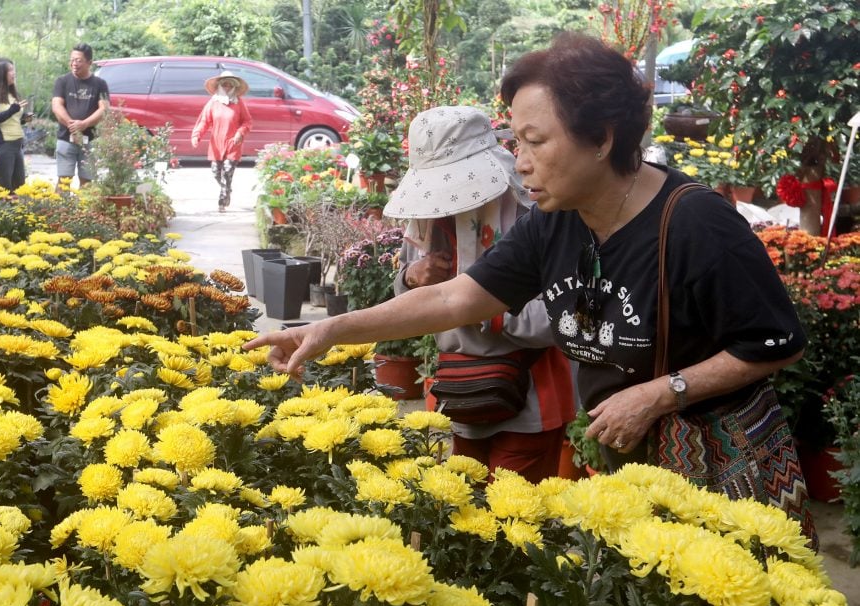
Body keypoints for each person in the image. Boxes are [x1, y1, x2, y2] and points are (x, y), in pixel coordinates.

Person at [246, 33, 816, 539]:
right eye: (515, 141)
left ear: (601, 138)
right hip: (634, 460)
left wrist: (660, 393)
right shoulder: (556, 223)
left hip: (723, 470)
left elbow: (776, 342)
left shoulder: (698, 224)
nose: (518, 163)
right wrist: (330, 329)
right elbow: (455, 297)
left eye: (534, 141)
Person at [388, 106, 575, 483]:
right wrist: (411, 278)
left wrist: (481, 307)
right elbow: (402, 299)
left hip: (529, 390)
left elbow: (560, 316)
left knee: (511, 517)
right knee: (467, 511)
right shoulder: (428, 220)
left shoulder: (530, 213)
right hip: (465, 390)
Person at [190, 71, 252, 212]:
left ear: (234, 86)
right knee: (216, 172)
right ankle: (227, 189)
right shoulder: (213, 102)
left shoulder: (239, 102)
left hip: (233, 143)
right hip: (216, 144)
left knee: (228, 171)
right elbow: (204, 121)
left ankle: (222, 201)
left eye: (230, 84)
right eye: (225, 84)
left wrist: (240, 132)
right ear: (220, 85)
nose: (227, 86)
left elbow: (247, 122)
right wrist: (196, 135)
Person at [51, 43, 109, 191]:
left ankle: (84, 212)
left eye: (78, 60)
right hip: (66, 138)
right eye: (72, 60)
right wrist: (73, 125)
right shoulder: (62, 81)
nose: (74, 64)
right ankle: (60, 211)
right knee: (63, 181)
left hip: (90, 140)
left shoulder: (100, 84)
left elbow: (104, 109)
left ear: (89, 62)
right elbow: (57, 106)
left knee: (87, 181)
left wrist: (84, 124)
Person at [0, 58, 29, 192]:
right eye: (10, 70)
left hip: (17, 145)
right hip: (4, 146)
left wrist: (24, 119)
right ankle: (2, 211)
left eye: (13, 69)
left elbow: (11, 118)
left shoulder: (12, 93)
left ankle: (16, 212)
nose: (13, 73)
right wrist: (10, 111)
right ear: (0, 74)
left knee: (19, 184)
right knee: (4, 187)